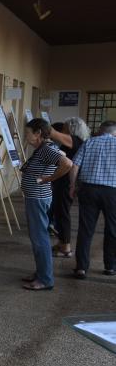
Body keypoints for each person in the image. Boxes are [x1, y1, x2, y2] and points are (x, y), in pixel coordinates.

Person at [20, 119, 72, 290]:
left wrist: (48, 179)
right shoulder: (46, 148)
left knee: (40, 239)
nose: (26, 136)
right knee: (38, 238)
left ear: (38, 134)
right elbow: (63, 157)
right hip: (37, 198)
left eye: (28, 133)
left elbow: (67, 164)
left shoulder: (46, 149)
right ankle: (41, 272)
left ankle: (45, 279)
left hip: (38, 198)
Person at [69, 120, 116, 278]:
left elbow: (74, 166)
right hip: (112, 192)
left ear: (100, 131)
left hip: (88, 190)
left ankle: (81, 268)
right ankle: (110, 266)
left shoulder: (89, 142)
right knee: (112, 229)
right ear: (114, 132)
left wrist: (72, 186)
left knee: (85, 229)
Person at [49, 117, 91, 256]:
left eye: (65, 127)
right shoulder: (75, 142)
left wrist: (40, 127)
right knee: (60, 212)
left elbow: (52, 133)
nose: (62, 130)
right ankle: (62, 242)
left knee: (63, 214)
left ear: (71, 128)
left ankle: (66, 247)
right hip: (63, 182)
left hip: (66, 183)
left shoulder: (74, 140)